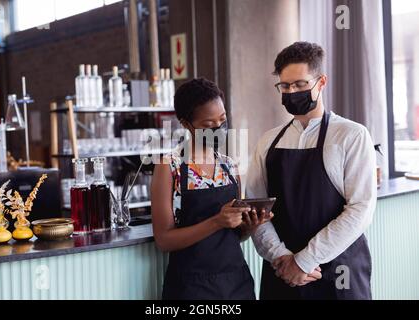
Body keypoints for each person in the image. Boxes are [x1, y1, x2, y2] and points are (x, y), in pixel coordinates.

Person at [246, 42, 376, 300]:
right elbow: (256, 209)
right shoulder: (268, 141)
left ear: (321, 82)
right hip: (282, 271)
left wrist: (304, 261)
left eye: (301, 85)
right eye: (285, 86)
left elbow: (360, 209)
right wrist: (282, 257)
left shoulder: (351, 135)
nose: (292, 92)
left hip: (339, 272)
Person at [151, 78, 272, 300]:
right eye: (208, 125)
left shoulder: (229, 165)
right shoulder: (169, 167)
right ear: (186, 124)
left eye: (223, 120)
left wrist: (248, 226)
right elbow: (164, 240)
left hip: (236, 283)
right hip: (190, 287)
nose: (219, 128)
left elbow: (234, 235)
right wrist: (216, 221)